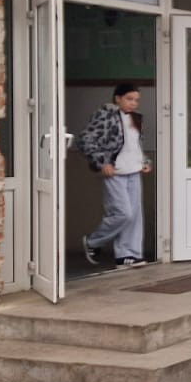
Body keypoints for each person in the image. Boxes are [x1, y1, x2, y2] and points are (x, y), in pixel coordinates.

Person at [79, 82, 152, 269]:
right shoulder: (105, 116)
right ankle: (93, 242)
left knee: (134, 216)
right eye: (129, 99)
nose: (133, 103)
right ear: (117, 98)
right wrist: (102, 163)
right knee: (123, 213)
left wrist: (145, 162)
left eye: (136, 100)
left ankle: (128, 255)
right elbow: (85, 140)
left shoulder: (137, 119)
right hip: (115, 173)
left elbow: (134, 146)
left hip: (134, 171)